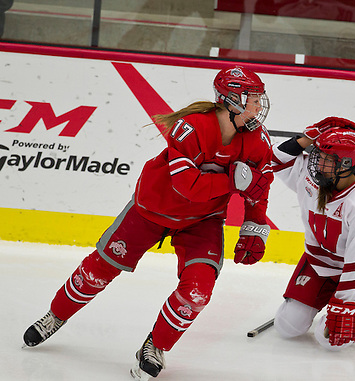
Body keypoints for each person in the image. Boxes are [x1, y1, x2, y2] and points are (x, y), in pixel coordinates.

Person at [23, 66, 274, 380]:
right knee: (98, 270)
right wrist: (231, 182)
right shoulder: (191, 127)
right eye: (252, 98)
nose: (258, 105)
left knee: (198, 291)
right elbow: (189, 186)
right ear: (231, 99)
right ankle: (55, 315)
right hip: (150, 210)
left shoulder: (258, 141)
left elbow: (258, 188)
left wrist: (255, 226)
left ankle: (155, 346)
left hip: (202, 221)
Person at [271, 117, 355, 350]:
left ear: (348, 164)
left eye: (327, 160)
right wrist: (309, 136)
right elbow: (274, 159)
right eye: (318, 156)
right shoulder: (313, 176)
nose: (317, 164)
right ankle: (323, 298)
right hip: (320, 262)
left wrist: (347, 305)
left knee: (330, 340)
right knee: (287, 327)